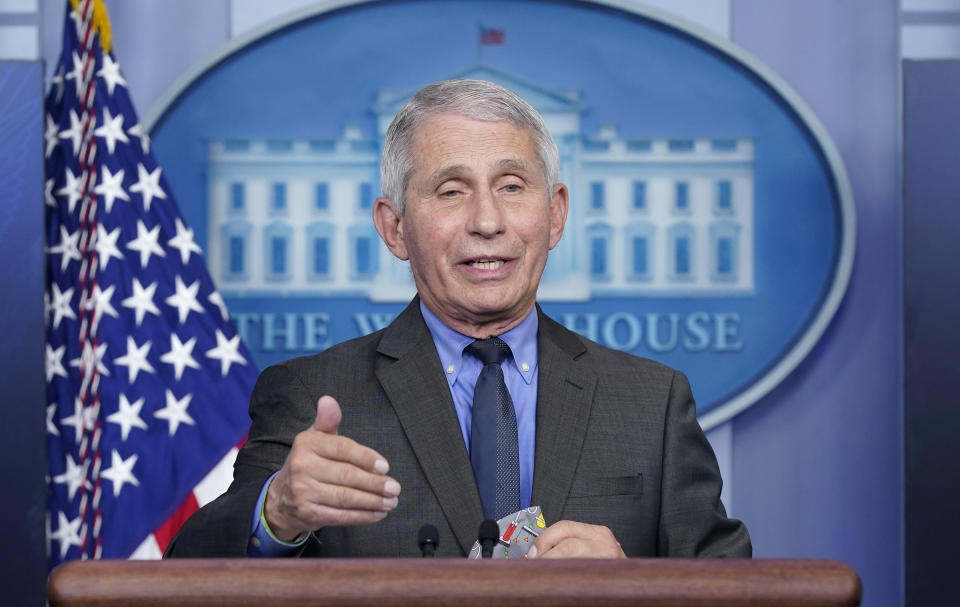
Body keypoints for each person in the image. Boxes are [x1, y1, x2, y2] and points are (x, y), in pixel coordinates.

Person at [165, 79, 750, 559]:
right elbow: (189, 580)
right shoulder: (312, 396)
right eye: (451, 191)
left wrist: (634, 594)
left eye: (512, 186)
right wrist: (278, 511)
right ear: (394, 228)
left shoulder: (652, 403)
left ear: (555, 216)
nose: (487, 220)